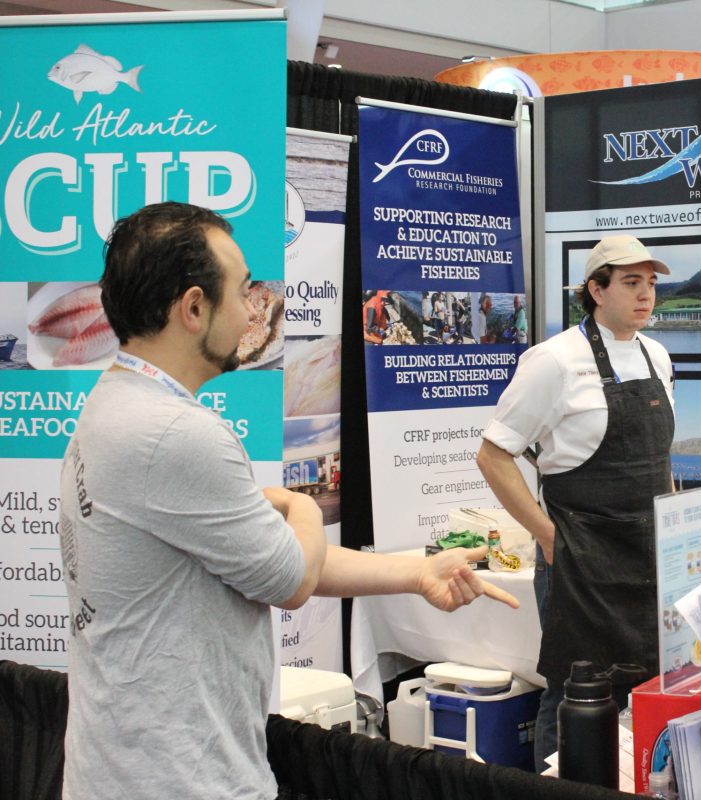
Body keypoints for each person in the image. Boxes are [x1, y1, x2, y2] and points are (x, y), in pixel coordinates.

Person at [59, 202, 519, 800]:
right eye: (244, 289)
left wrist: (418, 571)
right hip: (178, 779)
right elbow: (291, 577)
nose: (255, 307)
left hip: (128, 767)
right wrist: (299, 506)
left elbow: (273, 561)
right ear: (194, 308)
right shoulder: (175, 435)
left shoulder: (117, 405)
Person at [476, 233, 674, 768]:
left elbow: (661, 462)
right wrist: (547, 536)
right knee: (573, 694)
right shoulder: (553, 361)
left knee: (648, 687)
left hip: (650, 556)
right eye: (631, 283)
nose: (646, 295)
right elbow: (494, 455)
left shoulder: (657, 356)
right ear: (596, 289)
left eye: (651, 283)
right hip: (580, 561)